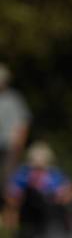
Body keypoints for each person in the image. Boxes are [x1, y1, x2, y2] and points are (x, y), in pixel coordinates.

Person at [0, 64, 31, 200]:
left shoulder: (14, 99)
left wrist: (19, 144)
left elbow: (24, 123)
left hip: (9, 144)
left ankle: (9, 214)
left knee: (9, 178)